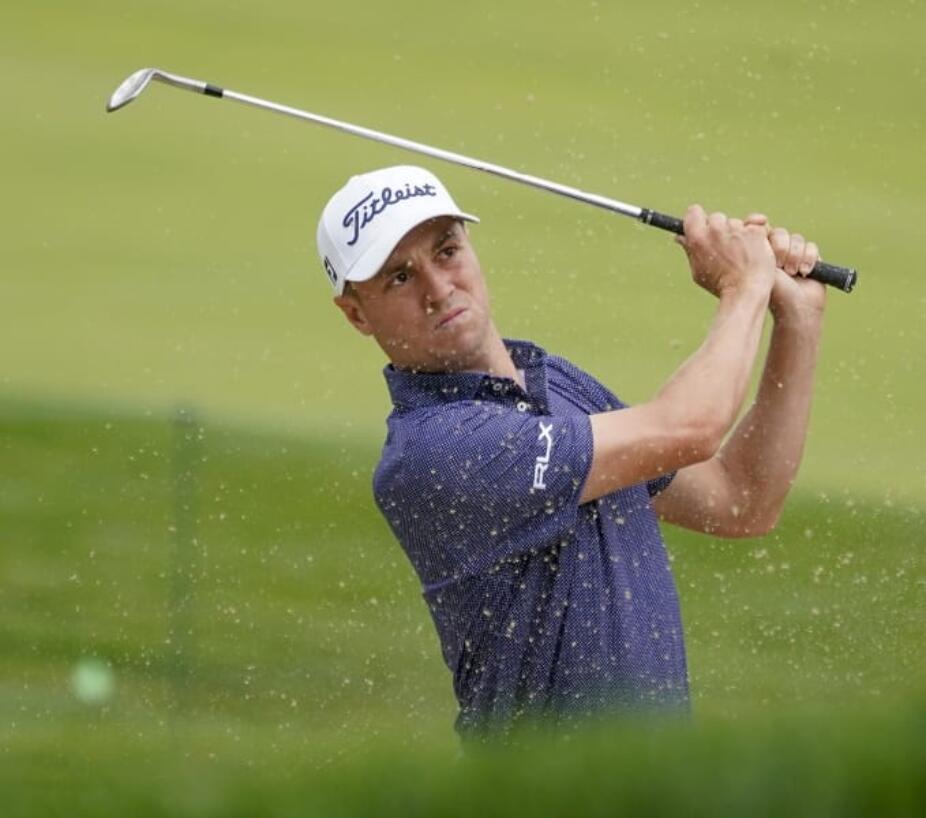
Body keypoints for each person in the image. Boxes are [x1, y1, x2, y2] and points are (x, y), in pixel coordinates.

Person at [316, 165, 827, 741]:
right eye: (400, 278)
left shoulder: (554, 384)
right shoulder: (433, 451)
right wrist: (745, 286)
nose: (438, 288)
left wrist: (798, 318)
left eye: (447, 250)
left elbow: (740, 500)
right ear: (357, 313)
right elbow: (691, 425)